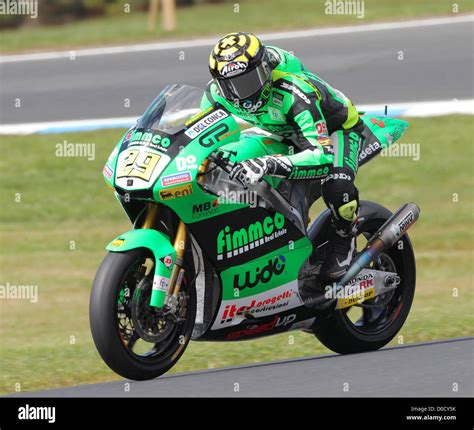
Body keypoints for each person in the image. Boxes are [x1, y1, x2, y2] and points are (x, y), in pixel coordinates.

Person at [202, 32, 367, 282]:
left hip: (335, 130)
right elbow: (203, 139)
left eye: (249, 81)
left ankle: (345, 242)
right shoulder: (215, 95)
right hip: (280, 130)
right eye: (232, 85)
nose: (242, 93)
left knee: (337, 186)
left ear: (265, 69)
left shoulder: (293, 91)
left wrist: (268, 163)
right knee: (226, 168)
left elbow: (322, 156)